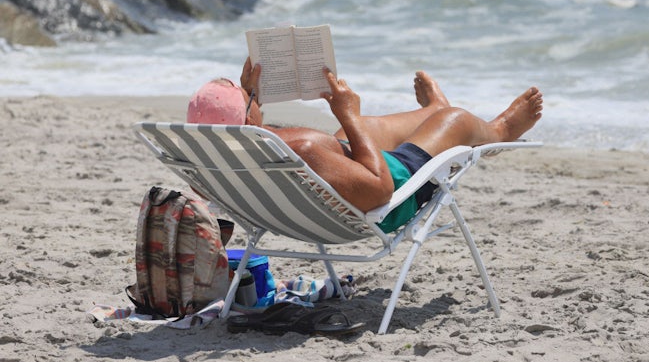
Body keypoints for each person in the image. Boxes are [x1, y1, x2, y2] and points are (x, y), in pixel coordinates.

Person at [186, 58, 543, 232]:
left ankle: (434, 110)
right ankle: (498, 131)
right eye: (248, 98)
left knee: (366, 130)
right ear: (248, 120)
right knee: (457, 121)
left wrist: (252, 98)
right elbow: (380, 189)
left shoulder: (213, 161)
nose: (253, 98)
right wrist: (349, 115)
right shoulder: (303, 150)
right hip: (392, 196)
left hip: (317, 198)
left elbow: (246, 127)